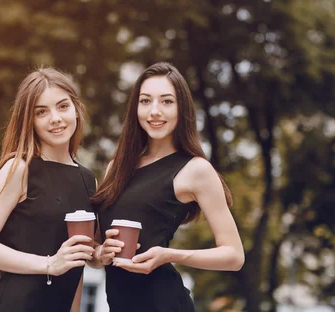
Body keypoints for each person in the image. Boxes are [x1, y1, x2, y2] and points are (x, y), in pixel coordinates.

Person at [91, 62, 244, 311]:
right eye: (145, 101)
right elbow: (96, 253)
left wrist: (169, 255)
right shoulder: (115, 169)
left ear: (181, 108)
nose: (154, 111)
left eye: (166, 101)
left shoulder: (196, 170)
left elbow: (234, 256)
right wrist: (101, 254)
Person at [0, 67, 97, 312]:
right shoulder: (19, 169)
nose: (55, 118)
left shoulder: (88, 180)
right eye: (41, 112)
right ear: (30, 121)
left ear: (77, 109)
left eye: (63, 106)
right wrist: (49, 264)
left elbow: (77, 265)